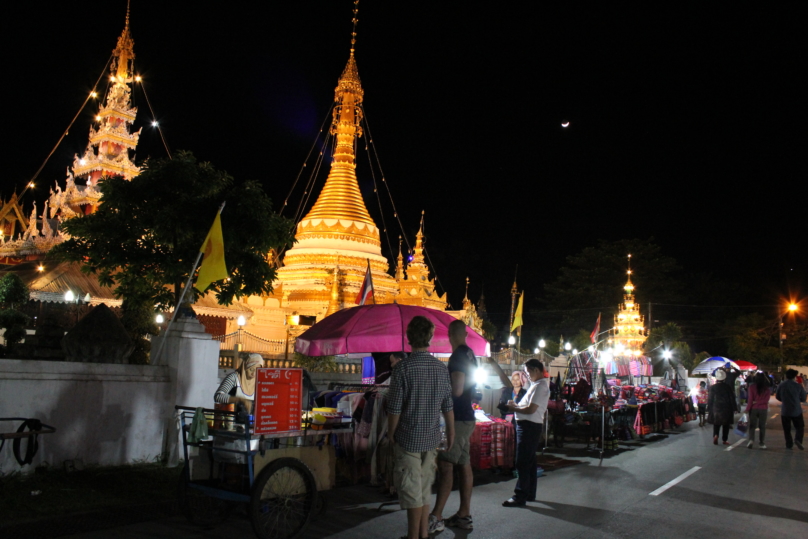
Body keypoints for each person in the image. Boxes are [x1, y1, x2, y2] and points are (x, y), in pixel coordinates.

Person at [387, 316, 454, 539]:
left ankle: (413, 536)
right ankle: (422, 533)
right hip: (431, 437)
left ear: (409, 338)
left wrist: (391, 433)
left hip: (408, 437)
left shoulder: (402, 369)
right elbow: (448, 406)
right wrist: (451, 434)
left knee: (412, 490)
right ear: (430, 337)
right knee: (424, 488)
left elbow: (394, 409)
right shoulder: (440, 368)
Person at [429, 320, 477, 534]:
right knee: (463, 464)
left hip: (457, 417)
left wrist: (439, 389)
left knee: (446, 464)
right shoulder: (470, 354)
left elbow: (456, 390)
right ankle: (463, 514)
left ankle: (436, 516)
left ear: (450, 334)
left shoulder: (457, 356)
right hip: (466, 415)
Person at [502, 359, 550, 507]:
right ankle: (529, 493)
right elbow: (527, 406)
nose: (527, 375)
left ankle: (520, 495)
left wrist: (513, 409)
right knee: (529, 461)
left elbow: (530, 409)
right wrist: (516, 406)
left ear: (536, 370)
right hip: (529, 425)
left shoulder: (540, 386)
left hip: (529, 426)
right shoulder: (536, 385)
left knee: (522, 462)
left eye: (528, 372)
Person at [775, 369, 807, 450]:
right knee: (800, 427)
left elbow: (777, 396)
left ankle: (789, 444)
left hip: (785, 410)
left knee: (787, 429)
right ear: (795, 376)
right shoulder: (798, 386)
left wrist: (785, 400)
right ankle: (798, 439)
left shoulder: (781, 385)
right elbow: (803, 398)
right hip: (796, 410)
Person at [708, 369, 738, 445]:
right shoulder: (728, 387)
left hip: (716, 408)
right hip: (726, 408)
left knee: (716, 423)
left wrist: (709, 408)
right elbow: (732, 398)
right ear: (724, 378)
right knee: (726, 425)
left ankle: (715, 435)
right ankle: (724, 440)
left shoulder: (712, 387)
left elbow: (710, 399)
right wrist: (735, 408)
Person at [745, 372, 771, 449]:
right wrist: (760, 402)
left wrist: (748, 409)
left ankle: (751, 440)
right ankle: (761, 443)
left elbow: (750, 400)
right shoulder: (767, 389)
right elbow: (766, 400)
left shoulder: (751, 387)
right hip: (763, 409)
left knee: (752, 425)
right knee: (762, 426)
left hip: (754, 408)